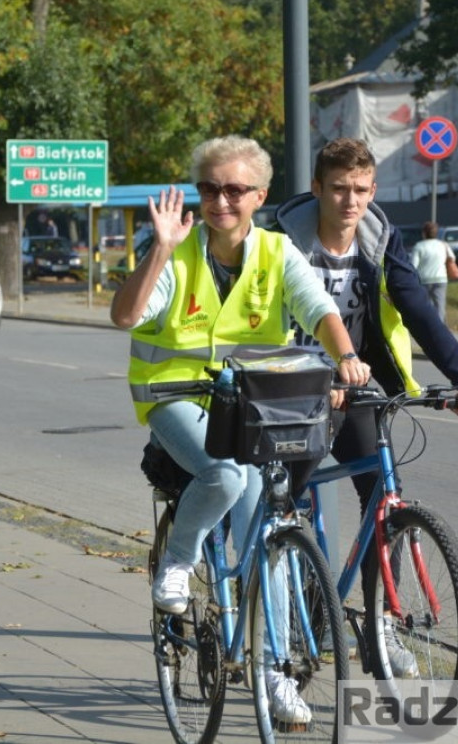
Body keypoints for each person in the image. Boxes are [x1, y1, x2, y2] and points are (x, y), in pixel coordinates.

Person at [110, 136, 370, 723]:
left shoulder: (276, 251)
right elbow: (126, 315)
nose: (220, 200)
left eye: (234, 189)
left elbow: (318, 309)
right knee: (225, 476)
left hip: (248, 402)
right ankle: (179, 561)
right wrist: (159, 249)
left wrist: (348, 357)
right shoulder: (177, 252)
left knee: (266, 538)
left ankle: (273, 673)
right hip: (172, 396)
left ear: (259, 196)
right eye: (209, 188)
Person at [271, 137, 458, 677]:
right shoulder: (282, 241)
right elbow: (263, 321)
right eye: (339, 188)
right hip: (295, 386)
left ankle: (379, 625)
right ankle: (286, 620)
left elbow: (417, 308)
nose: (350, 201)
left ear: (373, 190)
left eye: (361, 189)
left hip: (357, 384)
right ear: (317, 187)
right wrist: (313, 374)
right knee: (284, 504)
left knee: (381, 501)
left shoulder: (380, 238)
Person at [410, 220, 455, 321]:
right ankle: (440, 325)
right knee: (440, 305)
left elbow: (413, 265)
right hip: (441, 279)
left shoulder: (419, 246)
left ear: (424, 233)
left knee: (425, 306)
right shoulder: (443, 245)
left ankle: (427, 325)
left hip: (424, 280)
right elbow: (452, 258)